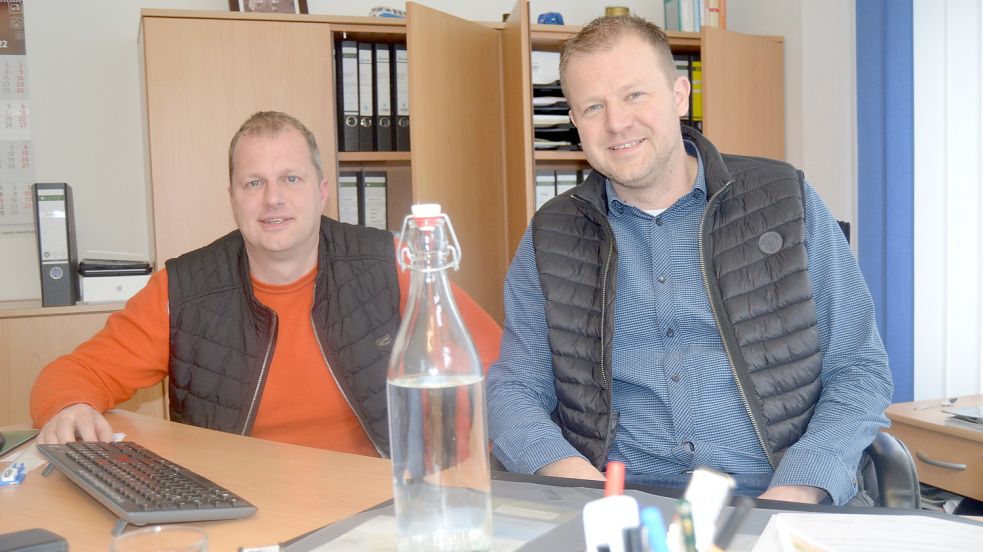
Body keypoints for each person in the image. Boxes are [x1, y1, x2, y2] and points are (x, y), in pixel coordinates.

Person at [486, 16, 893, 506]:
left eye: (635, 95)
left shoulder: (786, 200)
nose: (617, 123)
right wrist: (569, 475)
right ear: (575, 122)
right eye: (593, 106)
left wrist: (800, 488)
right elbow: (513, 389)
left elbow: (858, 368)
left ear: (680, 96)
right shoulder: (549, 235)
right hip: (629, 507)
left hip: (780, 495)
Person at [31, 111, 501, 458]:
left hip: (377, 504)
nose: (273, 198)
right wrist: (68, 406)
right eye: (253, 183)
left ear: (321, 191)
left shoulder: (391, 263)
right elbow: (72, 375)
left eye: (290, 178)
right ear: (232, 198)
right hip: (237, 511)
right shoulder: (184, 289)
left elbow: (501, 369)